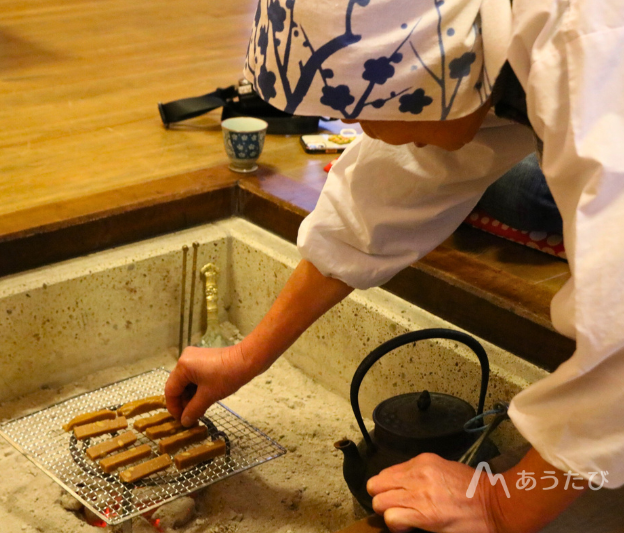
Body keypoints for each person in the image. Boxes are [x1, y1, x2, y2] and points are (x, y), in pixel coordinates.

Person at [166, 0, 624, 531]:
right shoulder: (476, 51)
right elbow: (390, 191)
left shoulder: (587, 50)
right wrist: (248, 354)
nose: (361, 126)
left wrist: (501, 504)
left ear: (428, 65)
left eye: (364, 104)